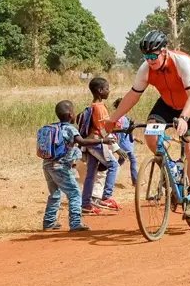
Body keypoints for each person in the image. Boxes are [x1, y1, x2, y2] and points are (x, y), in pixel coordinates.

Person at [104, 30, 190, 218]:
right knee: (150, 136)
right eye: (146, 56)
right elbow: (133, 95)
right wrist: (114, 118)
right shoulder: (145, 69)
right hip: (167, 103)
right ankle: (171, 170)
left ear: (164, 51)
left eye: (153, 55)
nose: (150, 60)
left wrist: (184, 117)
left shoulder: (181, 62)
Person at [42, 100, 113, 232]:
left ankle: (49, 222)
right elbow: (82, 141)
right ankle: (75, 224)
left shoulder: (53, 126)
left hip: (47, 165)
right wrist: (103, 140)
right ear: (70, 114)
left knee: (55, 193)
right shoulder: (70, 128)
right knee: (74, 193)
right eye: (74, 112)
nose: (75, 115)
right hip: (61, 166)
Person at [81, 77, 121, 215]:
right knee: (114, 165)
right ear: (99, 91)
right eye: (106, 88)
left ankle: (85, 203)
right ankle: (106, 197)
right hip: (97, 142)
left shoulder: (93, 106)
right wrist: (115, 129)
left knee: (91, 173)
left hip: (92, 141)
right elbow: (102, 129)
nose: (108, 91)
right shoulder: (99, 108)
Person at [113, 97, 139, 186]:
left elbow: (128, 131)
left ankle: (111, 177)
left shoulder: (123, 117)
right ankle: (135, 181)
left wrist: (135, 138)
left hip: (125, 143)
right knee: (133, 161)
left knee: (120, 161)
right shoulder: (119, 118)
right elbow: (119, 129)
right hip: (125, 144)